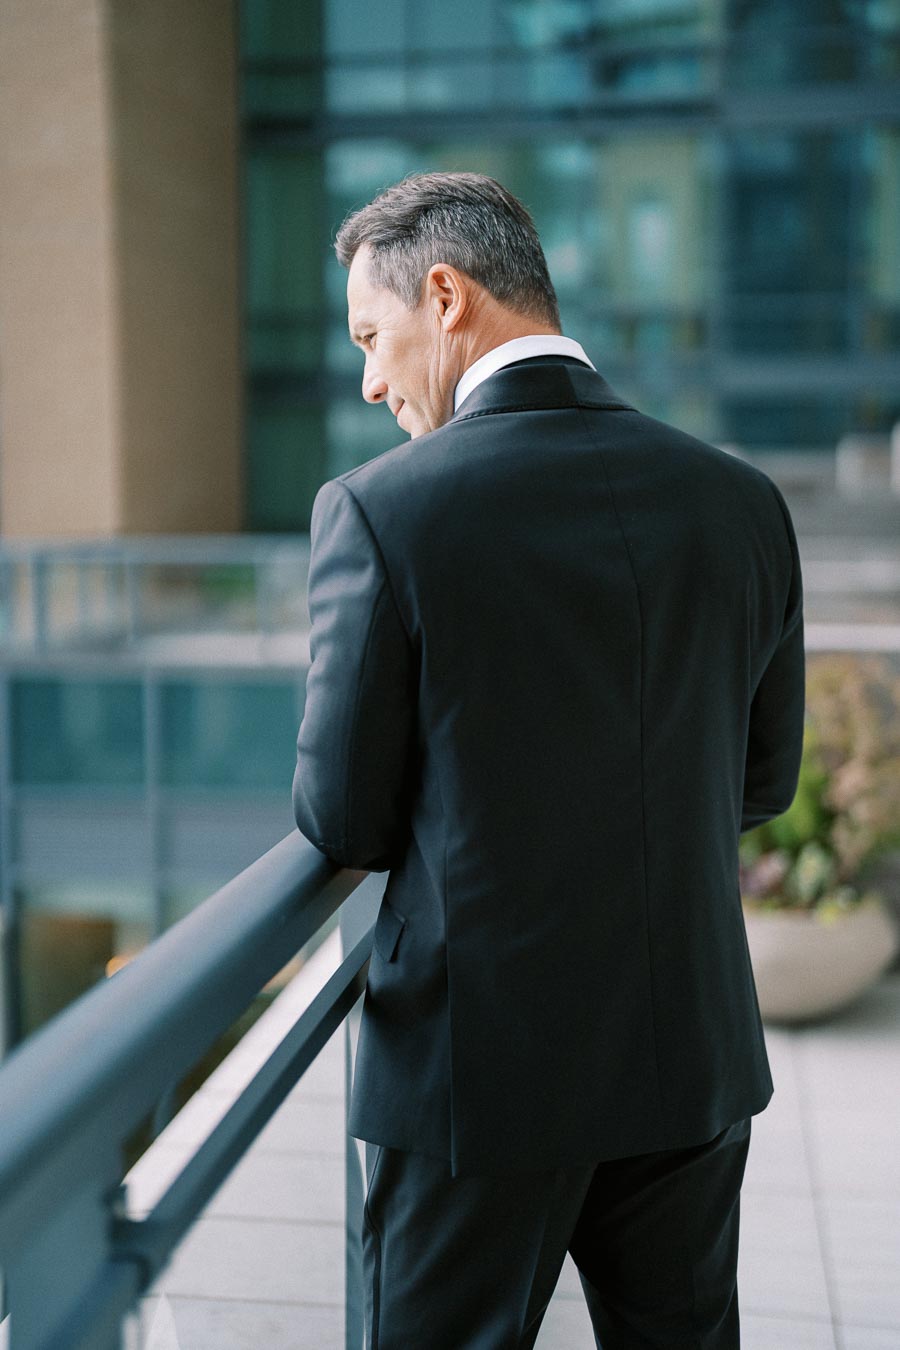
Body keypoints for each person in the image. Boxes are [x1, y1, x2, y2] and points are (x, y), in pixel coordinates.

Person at [292, 172, 804, 1350]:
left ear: (445, 295)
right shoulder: (740, 501)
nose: (372, 381)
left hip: (483, 1080)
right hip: (689, 1058)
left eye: (374, 338)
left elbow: (342, 817)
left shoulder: (382, 513)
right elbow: (762, 783)